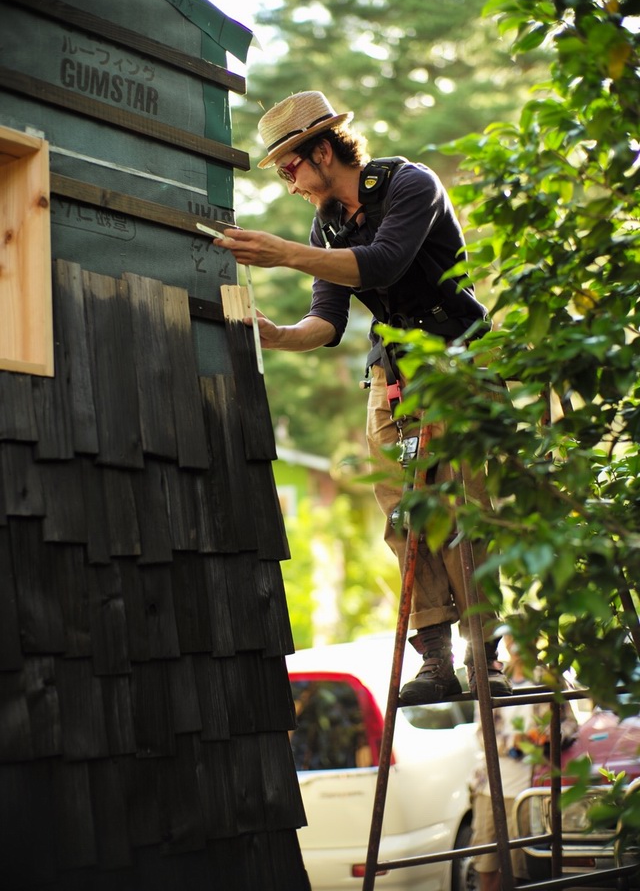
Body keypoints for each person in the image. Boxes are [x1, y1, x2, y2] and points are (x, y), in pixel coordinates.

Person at [213, 89, 511, 704]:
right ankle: (436, 662)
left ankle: (488, 657)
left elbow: (383, 263)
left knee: (463, 508)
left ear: (322, 151)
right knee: (404, 514)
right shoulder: (324, 224)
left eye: (291, 167)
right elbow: (325, 323)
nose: (291, 184)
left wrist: (285, 255)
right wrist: (274, 334)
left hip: (456, 362)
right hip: (392, 376)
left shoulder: (410, 184)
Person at [470, 634, 578, 891]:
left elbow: (571, 724)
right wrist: (513, 741)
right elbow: (481, 736)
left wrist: (552, 734)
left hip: (531, 788)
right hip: (490, 787)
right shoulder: (493, 678)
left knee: (521, 871)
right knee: (486, 866)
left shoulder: (549, 679)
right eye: (511, 636)